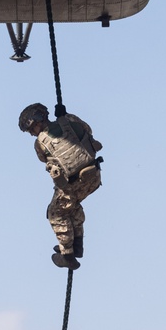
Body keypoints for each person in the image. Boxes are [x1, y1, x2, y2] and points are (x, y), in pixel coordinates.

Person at [18, 103, 102, 270]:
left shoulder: (40, 143)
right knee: (71, 206)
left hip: (74, 184)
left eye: (31, 129)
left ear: (38, 122)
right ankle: (76, 245)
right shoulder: (69, 120)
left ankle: (68, 255)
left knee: (55, 213)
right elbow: (88, 130)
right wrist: (65, 117)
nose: (32, 133)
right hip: (93, 176)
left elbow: (43, 159)